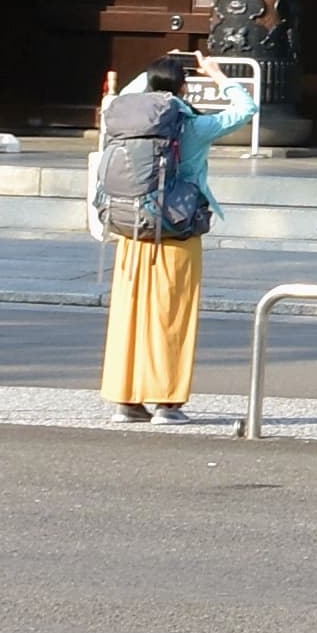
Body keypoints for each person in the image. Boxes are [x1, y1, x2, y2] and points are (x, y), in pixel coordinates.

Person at [94, 54, 229, 421]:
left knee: (129, 316)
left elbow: (128, 92)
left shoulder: (125, 119)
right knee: (172, 317)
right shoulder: (194, 127)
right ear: (184, 87)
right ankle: (167, 403)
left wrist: (154, 75)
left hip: (131, 227)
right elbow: (245, 109)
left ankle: (127, 400)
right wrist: (216, 75)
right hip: (176, 229)